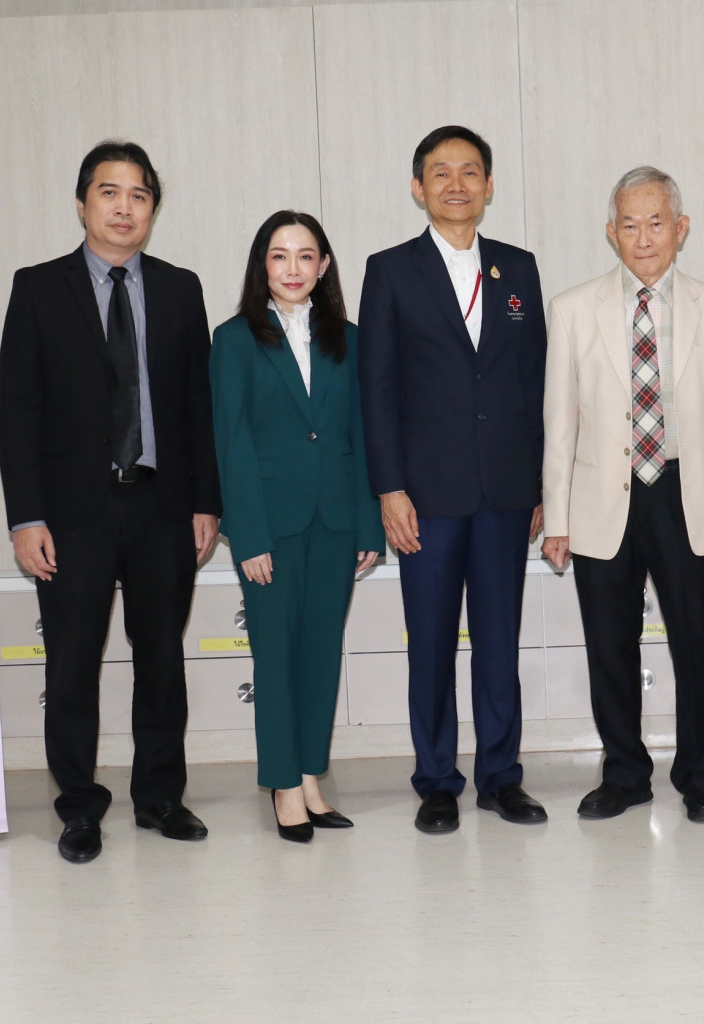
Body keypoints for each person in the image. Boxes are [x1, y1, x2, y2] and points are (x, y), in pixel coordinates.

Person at [0, 140, 221, 863]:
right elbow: (17, 412)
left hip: (163, 507)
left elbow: (199, 406)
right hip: (71, 516)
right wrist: (27, 517)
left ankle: (159, 797)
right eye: (109, 192)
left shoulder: (181, 288)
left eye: (139, 195)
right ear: (82, 203)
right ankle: (79, 808)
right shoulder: (38, 288)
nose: (125, 207)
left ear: (153, 208)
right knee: (71, 666)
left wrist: (206, 502)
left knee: (161, 659)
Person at [542, 166, 704, 823]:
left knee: (697, 641)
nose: (643, 238)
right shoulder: (572, 310)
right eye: (629, 225)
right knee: (610, 644)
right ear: (611, 232)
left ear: (680, 228)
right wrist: (557, 518)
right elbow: (559, 423)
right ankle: (625, 774)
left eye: (656, 222)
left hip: (685, 492)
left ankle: (703, 776)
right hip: (600, 497)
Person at [358, 126, 548, 833]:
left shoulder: (517, 269)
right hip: (426, 497)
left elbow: (534, 381)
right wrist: (389, 488)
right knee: (432, 642)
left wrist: (539, 485)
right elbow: (377, 390)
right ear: (419, 188)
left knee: (499, 641)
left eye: (471, 172)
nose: (457, 184)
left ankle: (501, 777)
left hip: (504, 492)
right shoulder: (390, 271)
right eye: (441, 173)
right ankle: (437, 779)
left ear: (489, 186)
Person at [210, 211, 384, 843]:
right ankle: (283, 785)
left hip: (336, 519)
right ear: (263, 265)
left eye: (305, 256)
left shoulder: (350, 339)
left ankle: (311, 777)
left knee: (320, 653)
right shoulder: (234, 339)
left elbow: (362, 436)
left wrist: (369, 525)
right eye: (279, 256)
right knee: (276, 655)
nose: (292, 268)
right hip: (271, 526)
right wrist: (247, 535)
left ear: (324, 266)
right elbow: (230, 442)